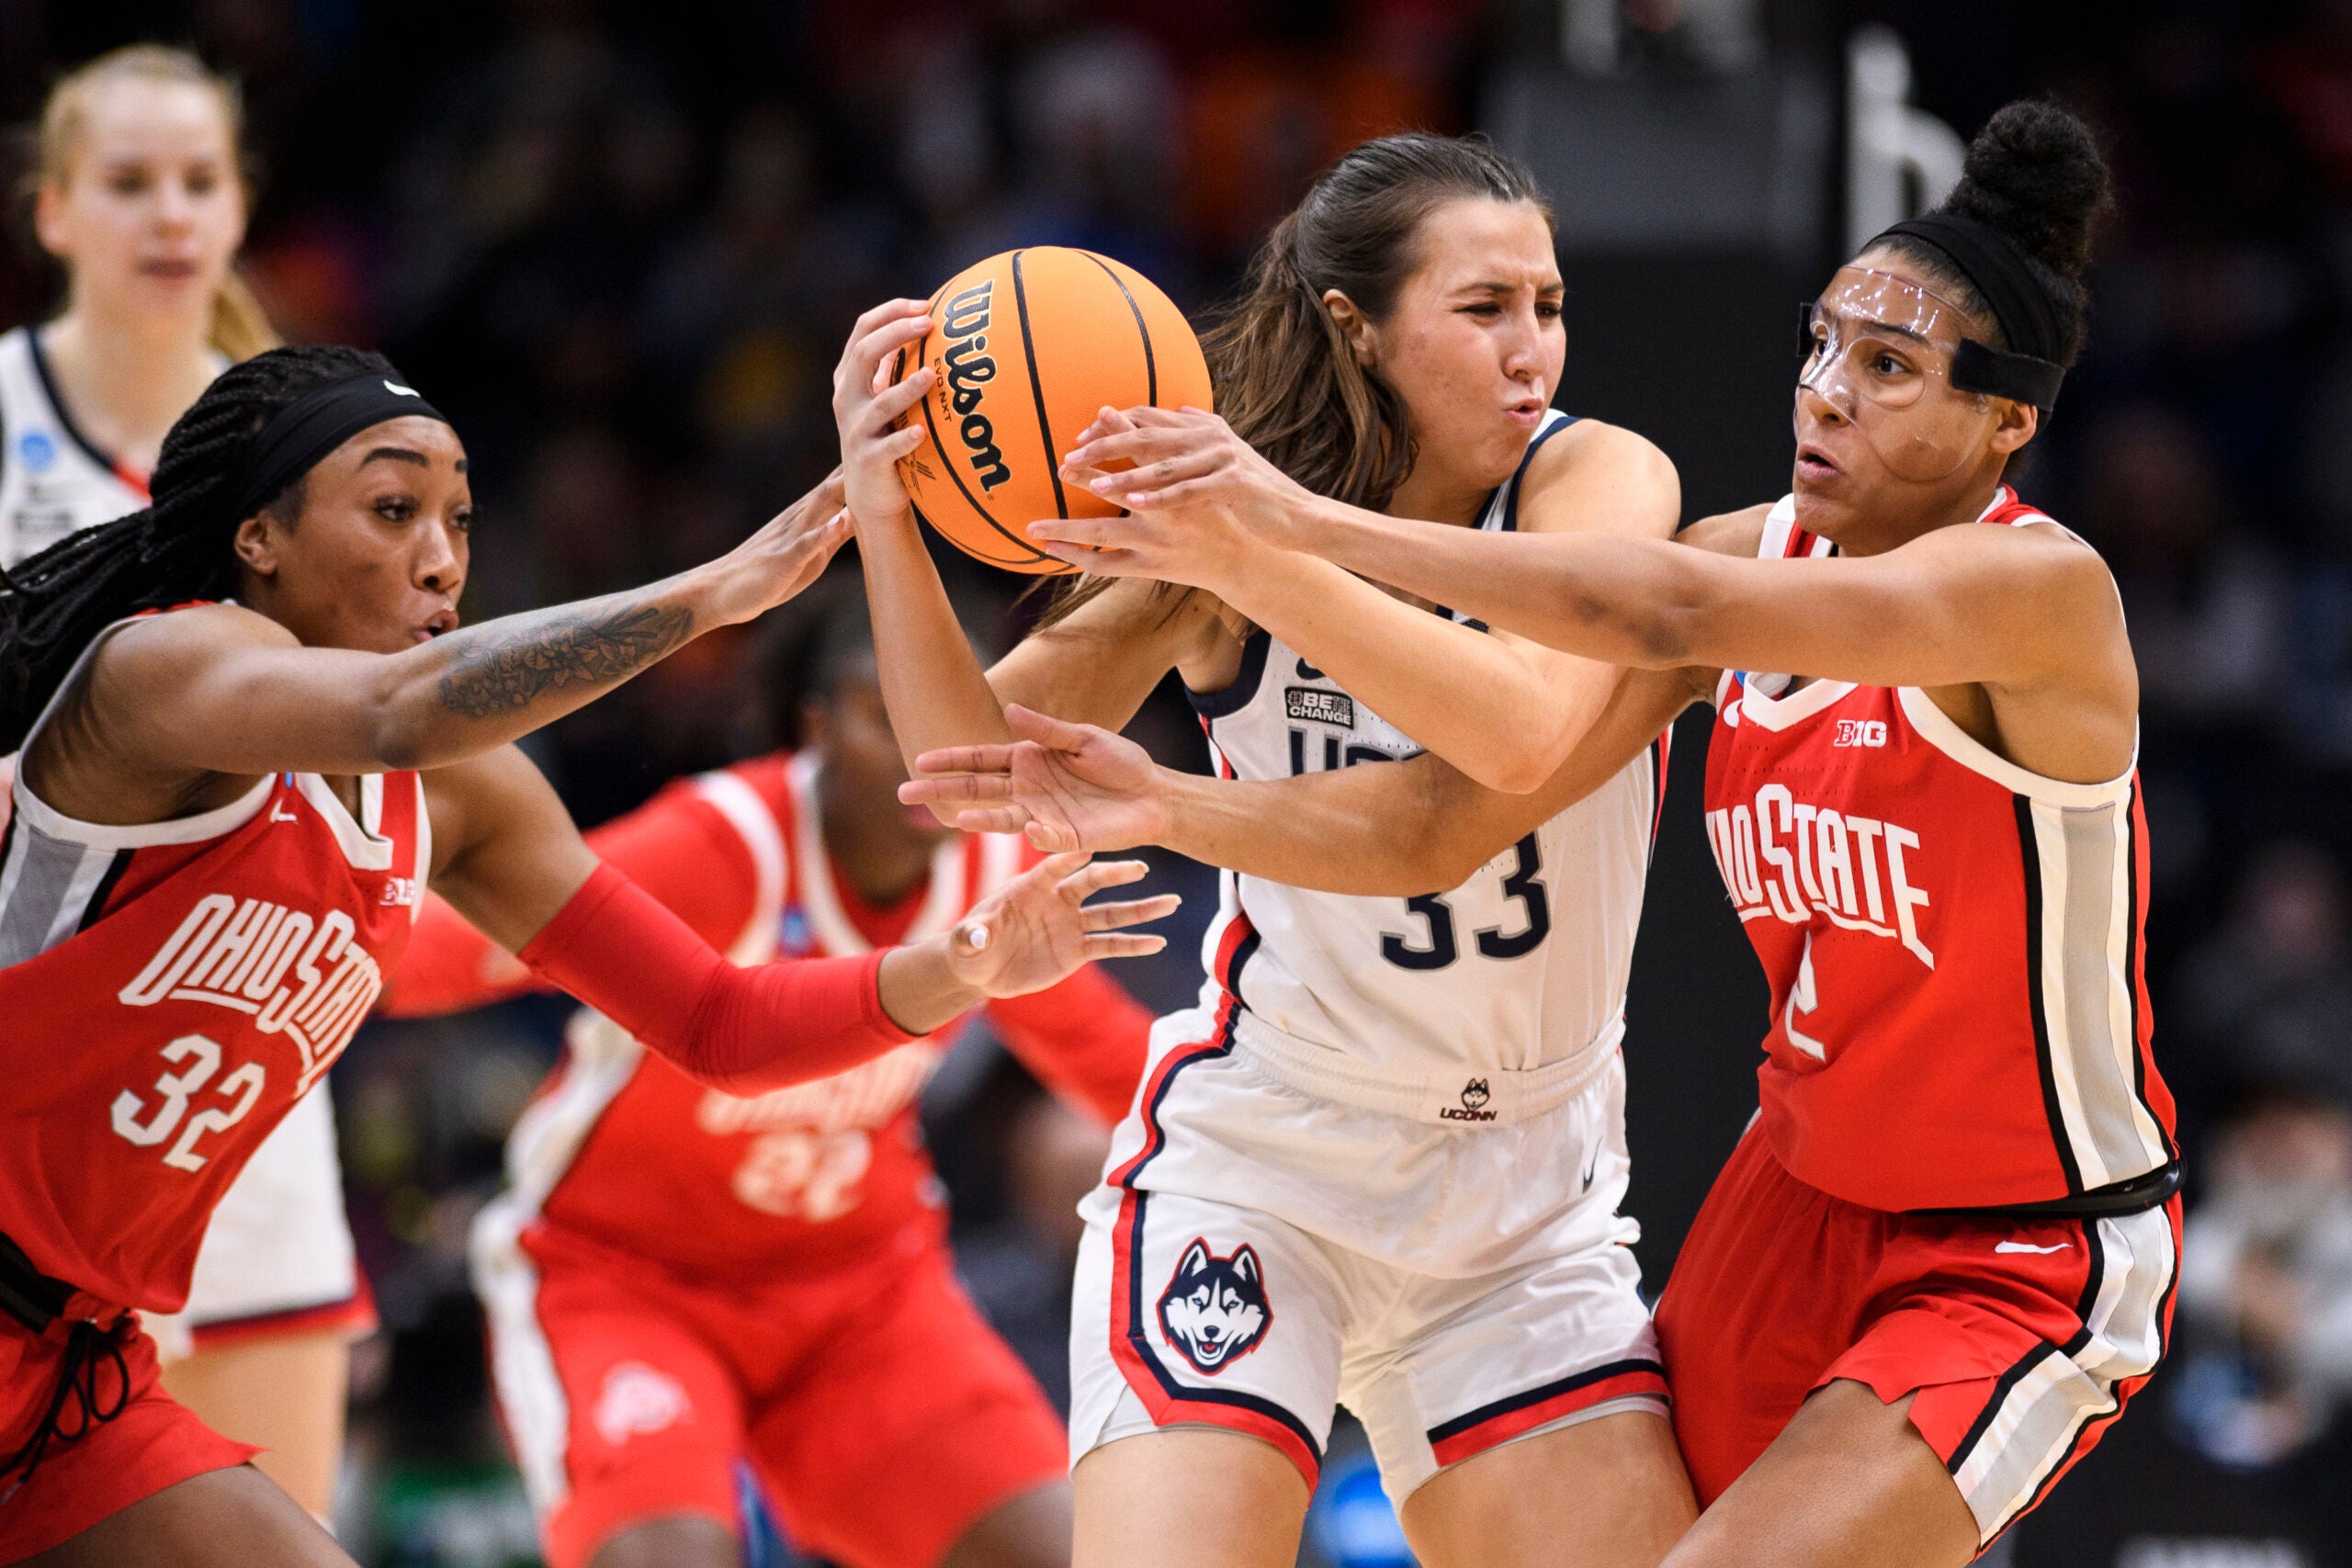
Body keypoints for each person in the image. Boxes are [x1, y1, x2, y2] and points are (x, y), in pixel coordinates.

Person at [960, 100, 2177, 1567]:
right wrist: (1165, 797)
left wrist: (1287, 529)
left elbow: (1650, 604)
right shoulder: (1748, 555)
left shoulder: (2034, 593)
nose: (1828, 394)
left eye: (1891, 367)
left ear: (2007, 421)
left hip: (2013, 1233)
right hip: (1784, 1197)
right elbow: (1446, 817)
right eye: (1825, 345)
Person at [0, 344, 1173, 1566]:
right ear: (259, 537)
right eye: (394, 509)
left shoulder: (461, 799)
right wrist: (717, 592)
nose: (442, 553)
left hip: (69, 1371)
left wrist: (965, 968)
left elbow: (721, 1022)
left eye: (459, 515)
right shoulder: (162, 666)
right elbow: (402, 705)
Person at [835, 133, 1697, 1568]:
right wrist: (884, 513)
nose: (1530, 349)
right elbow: (971, 771)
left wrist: (1257, 548)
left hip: (1529, 1205)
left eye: (1546, 305)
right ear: (1357, 323)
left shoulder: (1596, 478)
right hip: (1270, 1151)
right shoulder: (1206, 540)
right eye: (1483, 309)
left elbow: (1525, 729)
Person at [379, 592, 1159, 1568]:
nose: (932, 765)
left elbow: (1114, 1062)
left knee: (1072, 1552)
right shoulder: (720, 843)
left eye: (962, 728)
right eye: (890, 720)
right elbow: (474, 949)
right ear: (817, 720)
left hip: (861, 1296)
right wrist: (301, 946)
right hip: (624, 1280)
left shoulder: (1001, 876)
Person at [0, 43, 377, 1523]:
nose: (169, 213)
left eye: (198, 181)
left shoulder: (315, 445)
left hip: (227, 1064)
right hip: (33, 1079)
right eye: (129, 182)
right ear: (51, 213)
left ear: (239, 208)